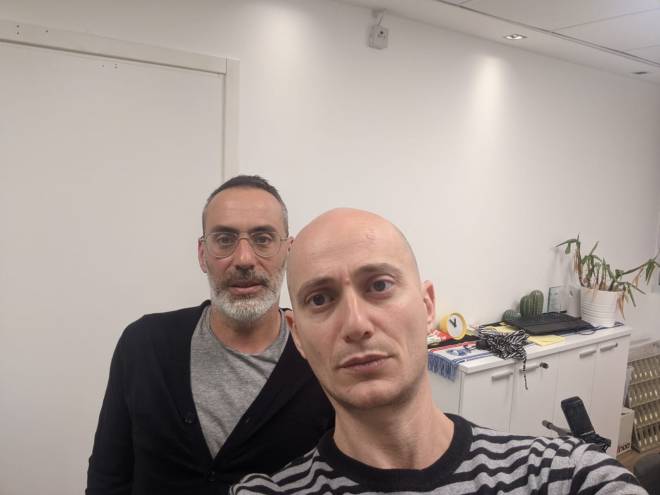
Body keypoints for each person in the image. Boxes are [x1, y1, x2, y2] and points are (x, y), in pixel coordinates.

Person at [231, 208, 646, 495]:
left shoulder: (558, 474)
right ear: (297, 336)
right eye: (320, 299)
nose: (356, 324)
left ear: (427, 306)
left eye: (379, 286)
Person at [86, 176, 333, 495]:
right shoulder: (144, 344)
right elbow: (108, 476)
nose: (244, 259)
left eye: (263, 239)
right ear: (203, 254)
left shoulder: (321, 356)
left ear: (288, 251)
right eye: (225, 240)